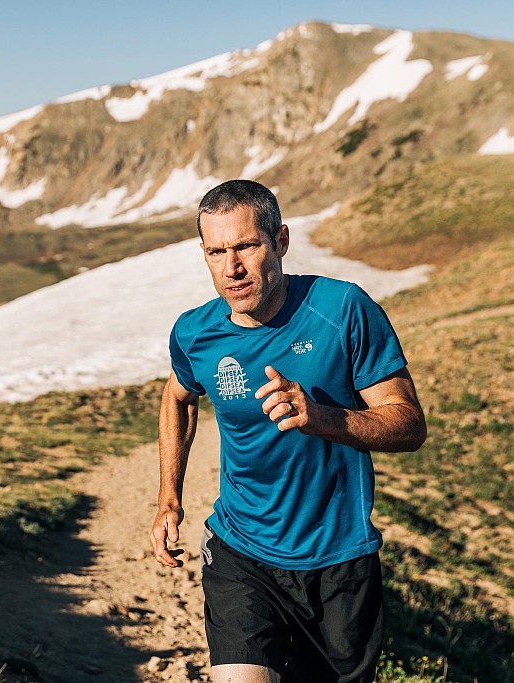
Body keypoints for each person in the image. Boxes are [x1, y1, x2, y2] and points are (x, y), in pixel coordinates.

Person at [150, 179, 426, 683]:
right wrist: (170, 496)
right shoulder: (194, 333)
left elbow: (409, 424)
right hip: (241, 553)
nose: (231, 268)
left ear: (280, 241)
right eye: (216, 252)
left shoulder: (342, 309)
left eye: (245, 247)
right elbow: (178, 396)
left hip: (339, 561)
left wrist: (324, 418)